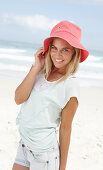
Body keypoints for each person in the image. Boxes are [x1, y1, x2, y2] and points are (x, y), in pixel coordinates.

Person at [12, 20, 89, 170]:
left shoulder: (70, 85)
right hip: (24, 145)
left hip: (45, 154)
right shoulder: (39, 71)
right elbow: (18, 98)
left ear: (74, 52)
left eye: (65, 50)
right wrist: (35, 68)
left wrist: (62, 168)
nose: (58, 54)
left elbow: (65, 129)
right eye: (54, 48)